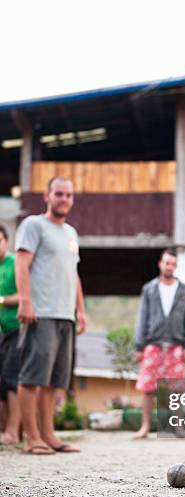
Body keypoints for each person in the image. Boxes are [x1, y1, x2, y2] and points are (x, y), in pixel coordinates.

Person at [15, 177, 86, 455]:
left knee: (54, 380)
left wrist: (80, 310)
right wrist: (25, 301)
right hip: (40, 312)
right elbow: (22, 263)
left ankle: (48, 435)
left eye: (68, 195)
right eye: (58, 194)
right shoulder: (34, 225)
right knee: (32, 376)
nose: (64, 199)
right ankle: (31, 438)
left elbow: (74, 274)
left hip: (64, 315)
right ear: (47, 196)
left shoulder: (71, 233)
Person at [134, 249, 185, 439]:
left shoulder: (184, 290)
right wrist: (139, 345)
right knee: (148, 387)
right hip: (153, 343)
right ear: (160, 264)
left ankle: (178, 428)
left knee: (177, 389)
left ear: (175, 266)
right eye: (166, 263)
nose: (169, 266)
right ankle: (145, 427)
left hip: (177, 344)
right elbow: (142, 317)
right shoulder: (149, 289)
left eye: (172, 264)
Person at [0, 224, 21, 445]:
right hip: (2, 332)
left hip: (18, 328)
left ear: (7, 241)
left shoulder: (15, 263)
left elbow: (25, 293)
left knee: (12, 377)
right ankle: (5, 430)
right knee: (3, 382)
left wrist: (2, 300)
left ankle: (14, 432)